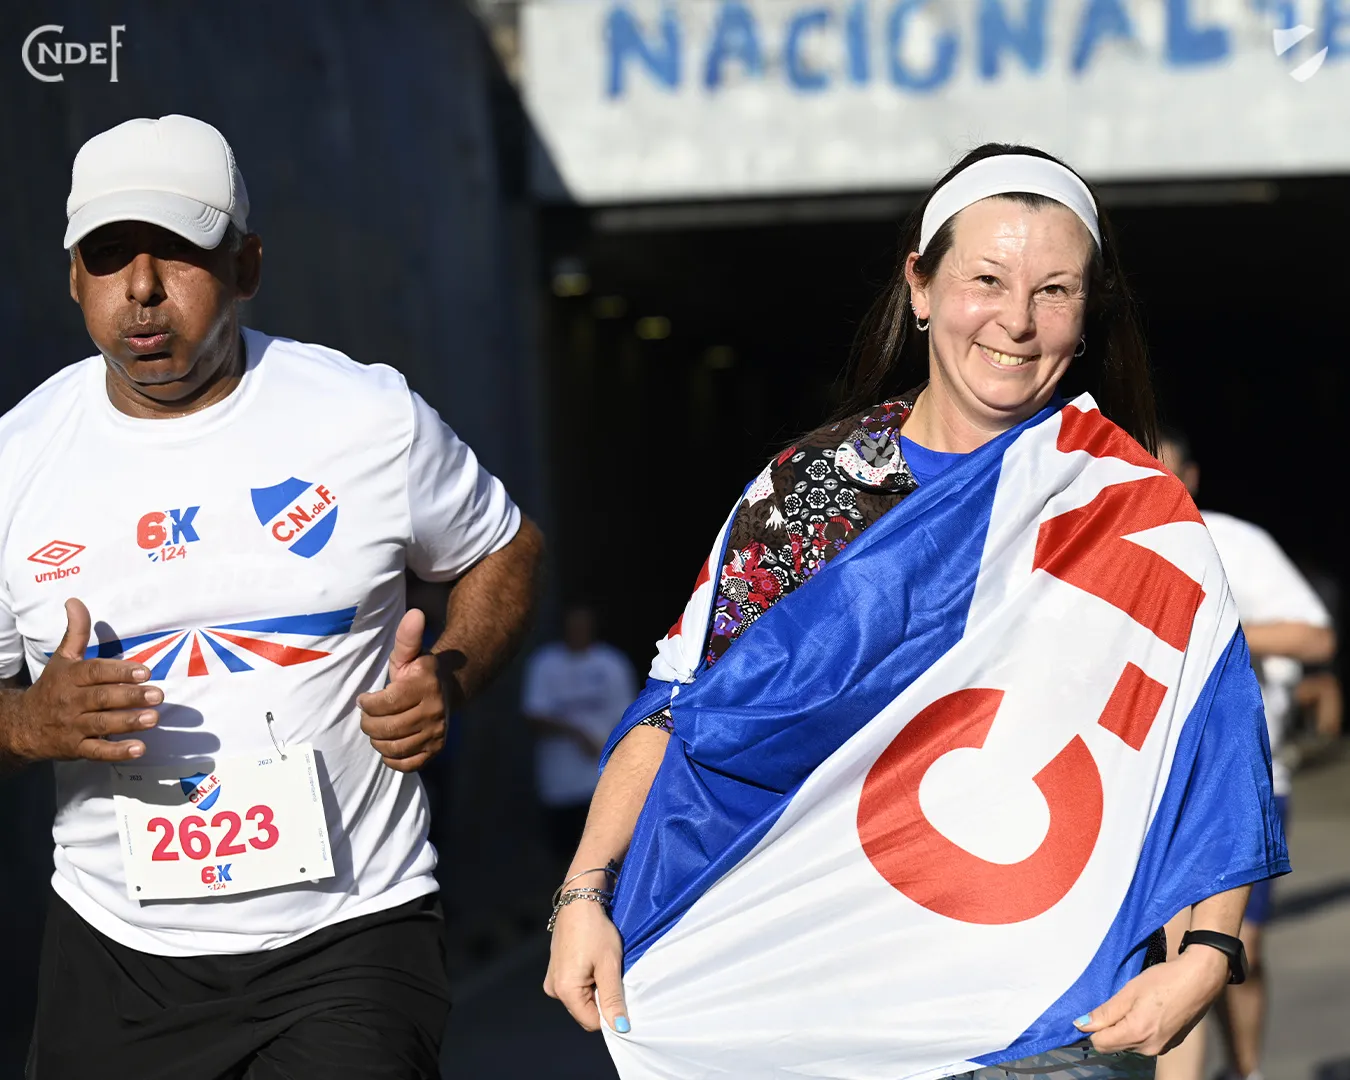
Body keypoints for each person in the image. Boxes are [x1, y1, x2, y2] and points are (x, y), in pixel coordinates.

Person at [544, 145, 1288, 1080]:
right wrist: (584, 892)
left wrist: (1209, 954)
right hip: (814, 1012)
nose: (1017, 321)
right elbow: (680, 706)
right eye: (987, 280)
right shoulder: (810, 496)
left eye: (1055, 291)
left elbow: (1208, 738)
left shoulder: (1126, 510)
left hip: (1043, 1027)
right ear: (922, 285)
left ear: (1087, 313)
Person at [0, 114, 543, 1080]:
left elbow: (504, 548)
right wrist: (27, 723)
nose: (143, 289)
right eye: (110, 256)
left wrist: (451, 677)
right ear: (73, 276)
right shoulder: (17, 462)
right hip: (116, 954)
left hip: (351, 934)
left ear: (246, 266)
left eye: (178, 252)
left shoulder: (367, 418)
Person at [1154, 428, 1336, 1080]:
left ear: (1191, 477)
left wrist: (1210, 633)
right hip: (1148, 785)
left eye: (1166, 469)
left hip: (1242, 778)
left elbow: (1315, 638)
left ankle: (1246, 1069)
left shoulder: (1235, 543)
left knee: (1238, 949)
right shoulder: (1103, 540)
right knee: (1174, 953)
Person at [523, 604, 637, 867]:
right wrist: (576, 733)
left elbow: (628, 716)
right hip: (558, 783)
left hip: (601, 781)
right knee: (562, 854)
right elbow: (533, 715)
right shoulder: (545, 663)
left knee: (605, 855)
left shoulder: (612, 663)